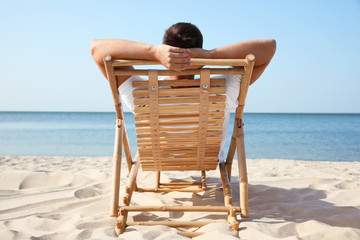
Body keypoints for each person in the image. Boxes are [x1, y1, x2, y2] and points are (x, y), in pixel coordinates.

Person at [90, 22, 276, 162]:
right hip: (207, 160)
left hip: (157, 160)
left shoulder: (142, 93)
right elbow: (269, 47)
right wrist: (211, 56)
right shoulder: (222, 90)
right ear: (199, 49)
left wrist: (153, 52)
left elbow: (97, 49)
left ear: (165, 49)